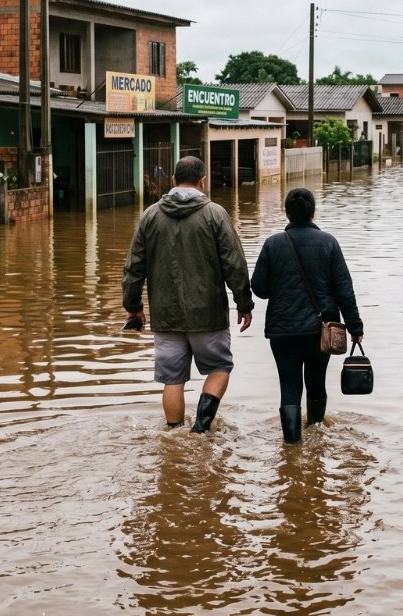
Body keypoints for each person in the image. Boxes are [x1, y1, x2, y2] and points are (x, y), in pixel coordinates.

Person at [123, 156, 254, 434]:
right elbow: (235, 264)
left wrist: (133, 307)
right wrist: (244, 303)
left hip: (165, 315)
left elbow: (134, 267)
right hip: (208, 314)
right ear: (202, 181)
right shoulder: (215, 214)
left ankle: (173, 434)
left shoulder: (150, 215)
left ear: (173, 181)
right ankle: (200, 429)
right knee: (219, 367)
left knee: (173, 379)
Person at [251, 188, 363, 444]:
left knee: (289, 388)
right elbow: (344, 290)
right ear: (313, 212)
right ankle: (315, 437)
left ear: (287, 213)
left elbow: (259, 288)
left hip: (283, 330)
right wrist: (355, 326)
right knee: (316, 382)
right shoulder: (329, 243)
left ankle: (291, 446)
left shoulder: (273, 243)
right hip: (320, 330)